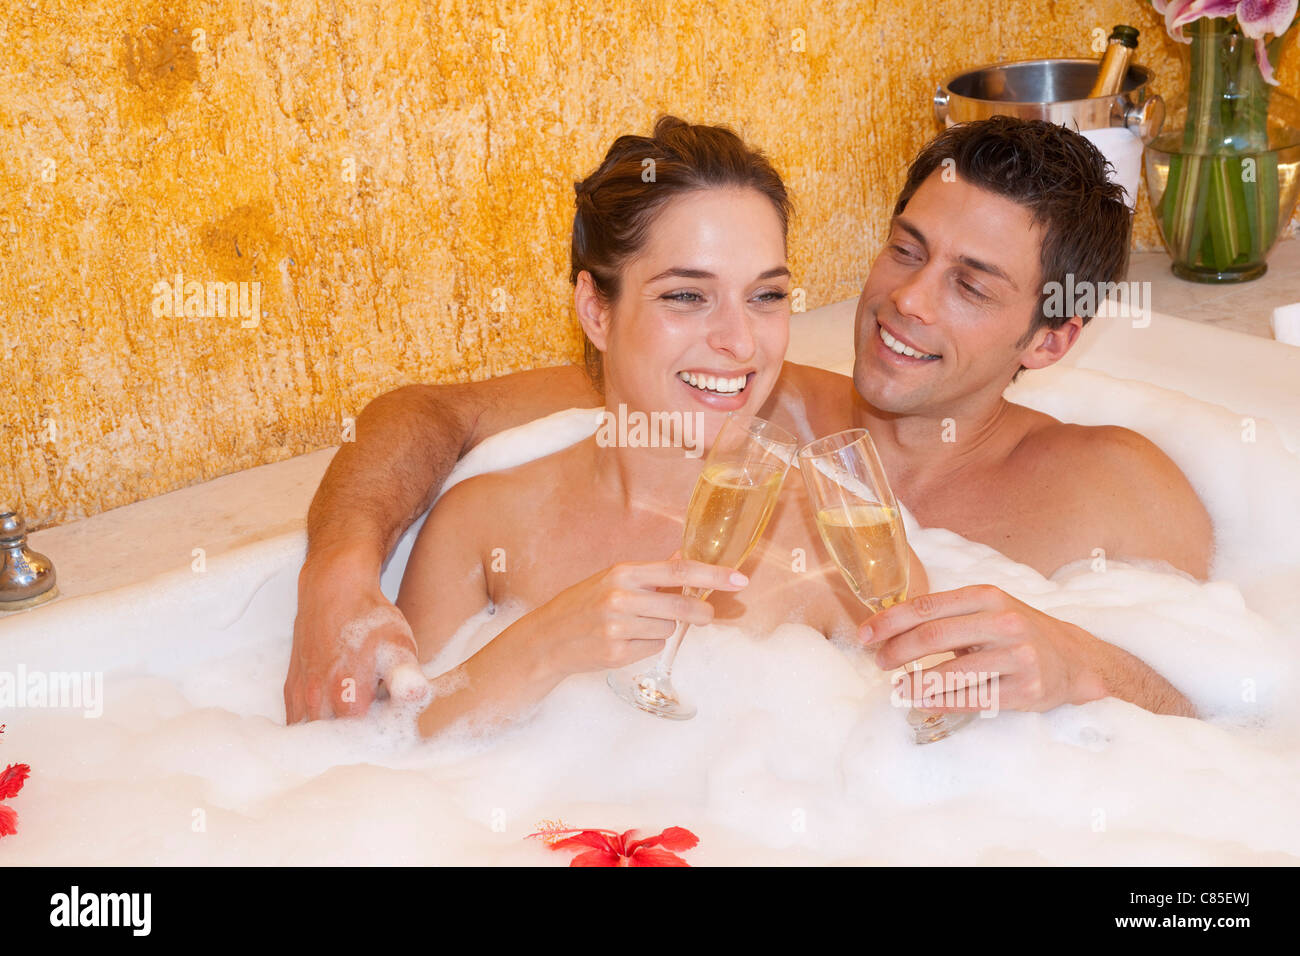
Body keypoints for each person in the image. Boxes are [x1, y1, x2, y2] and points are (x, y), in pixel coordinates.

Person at [284, 116, 1210, 726]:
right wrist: (337, 570)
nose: (909, 302)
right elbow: (429, 413)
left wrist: (1082, 666)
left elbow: (1224, 746)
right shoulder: (740, 398)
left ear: (1049, 343)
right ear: (596, 311)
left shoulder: (1114, 494)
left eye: (971, 285)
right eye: (904, 250)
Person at [390, 117, 925, 734]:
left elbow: (922, 769)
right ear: (596, 311)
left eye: (766, 296)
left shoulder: (841, 547)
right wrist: (545, 645)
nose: (739, 341)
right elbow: (390, 750)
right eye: (686, 296)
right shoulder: (482, 526)